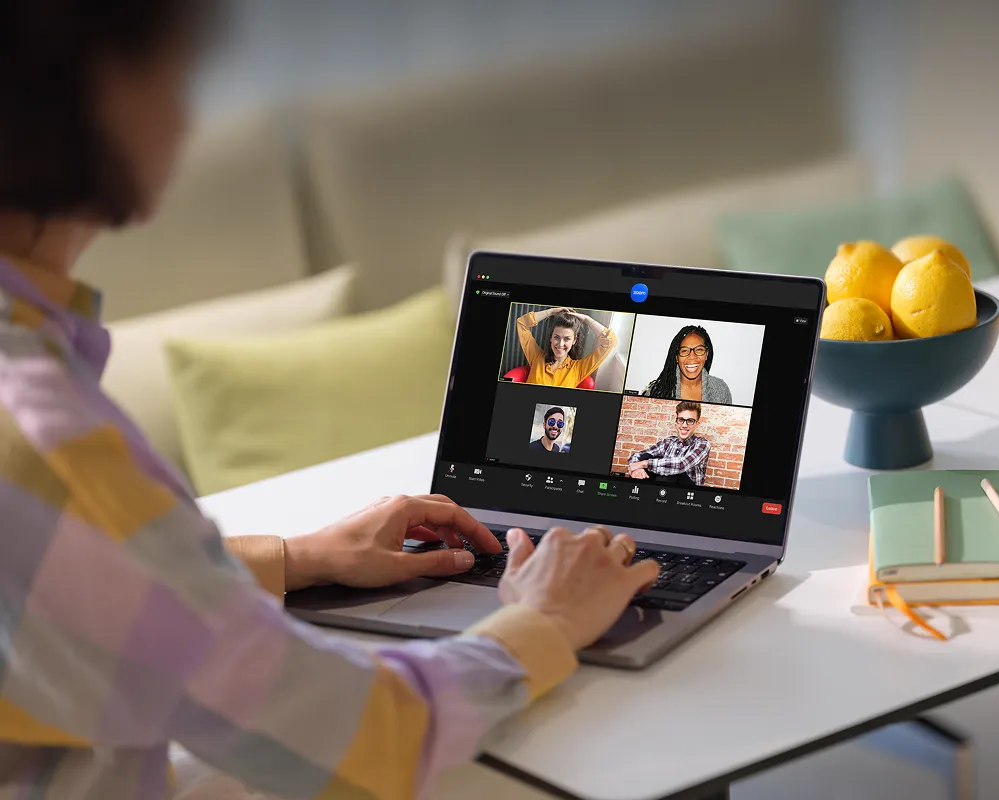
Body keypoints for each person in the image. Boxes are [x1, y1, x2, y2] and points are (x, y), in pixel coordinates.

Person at [0, 3, 660, 798]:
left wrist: (297, 559)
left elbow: (66, 586)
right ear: (94, 87)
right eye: (173, 67)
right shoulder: (47, 442)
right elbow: (371, 738)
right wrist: (547, 618)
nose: (185, 110)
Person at [515, 306, 617, 388]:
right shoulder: (536, 357)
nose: (560, 344)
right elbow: (522, 323)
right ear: (551, 337)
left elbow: (611, 341)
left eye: (567, 339)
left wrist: (587, 319)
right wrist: (551, 312)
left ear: (574, 341)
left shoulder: (579, 369)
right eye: (556, 337)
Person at [626, 402, 711, 486]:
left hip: (687, 494)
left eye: (690, 421)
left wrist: (642, 464)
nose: (684, 425)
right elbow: (638, 455)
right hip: (662, 488)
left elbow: (681, 464)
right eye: (681, 420)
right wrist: (636, 469)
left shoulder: (702, 444)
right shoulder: (669, 441)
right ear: (676, 422)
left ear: (697, 424)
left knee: (669, 472)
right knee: (646, 457)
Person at [643, 325, 733, 404]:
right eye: (684, 350)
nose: (692, 356)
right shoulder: (657, 391)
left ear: (707, 354)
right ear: (676, 357)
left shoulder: (721, 389)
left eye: (699, 350)